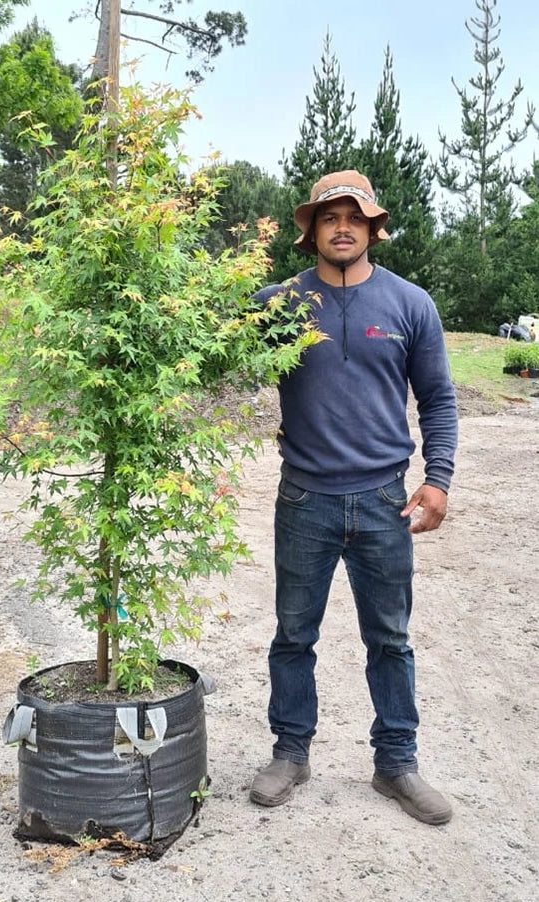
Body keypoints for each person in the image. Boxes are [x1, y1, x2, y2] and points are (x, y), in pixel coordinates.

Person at [249, 170, 458, 825]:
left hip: (382, 502)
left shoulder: (409, 305)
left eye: (354, 217)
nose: (342, 227)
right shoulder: (278, 305)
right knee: (292, 637)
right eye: (329, 216)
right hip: (304, 500)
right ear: (310, 228)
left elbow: (439, 399)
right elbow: (208, 356)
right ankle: (291, 752)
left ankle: (396, 764)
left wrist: (439, 477)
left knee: (390, 640)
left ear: (372, 228)